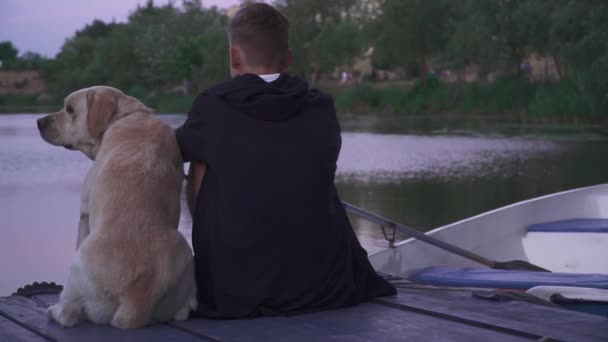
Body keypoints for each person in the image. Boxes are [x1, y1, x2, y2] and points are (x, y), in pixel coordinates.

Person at [175, 2, 396, 319]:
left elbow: (171, 150)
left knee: (200, 160)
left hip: (236, 287)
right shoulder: (321, 107)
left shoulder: (213, 107)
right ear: (289, 59)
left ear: (234, 56)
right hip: (323, 283)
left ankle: (216, 262)